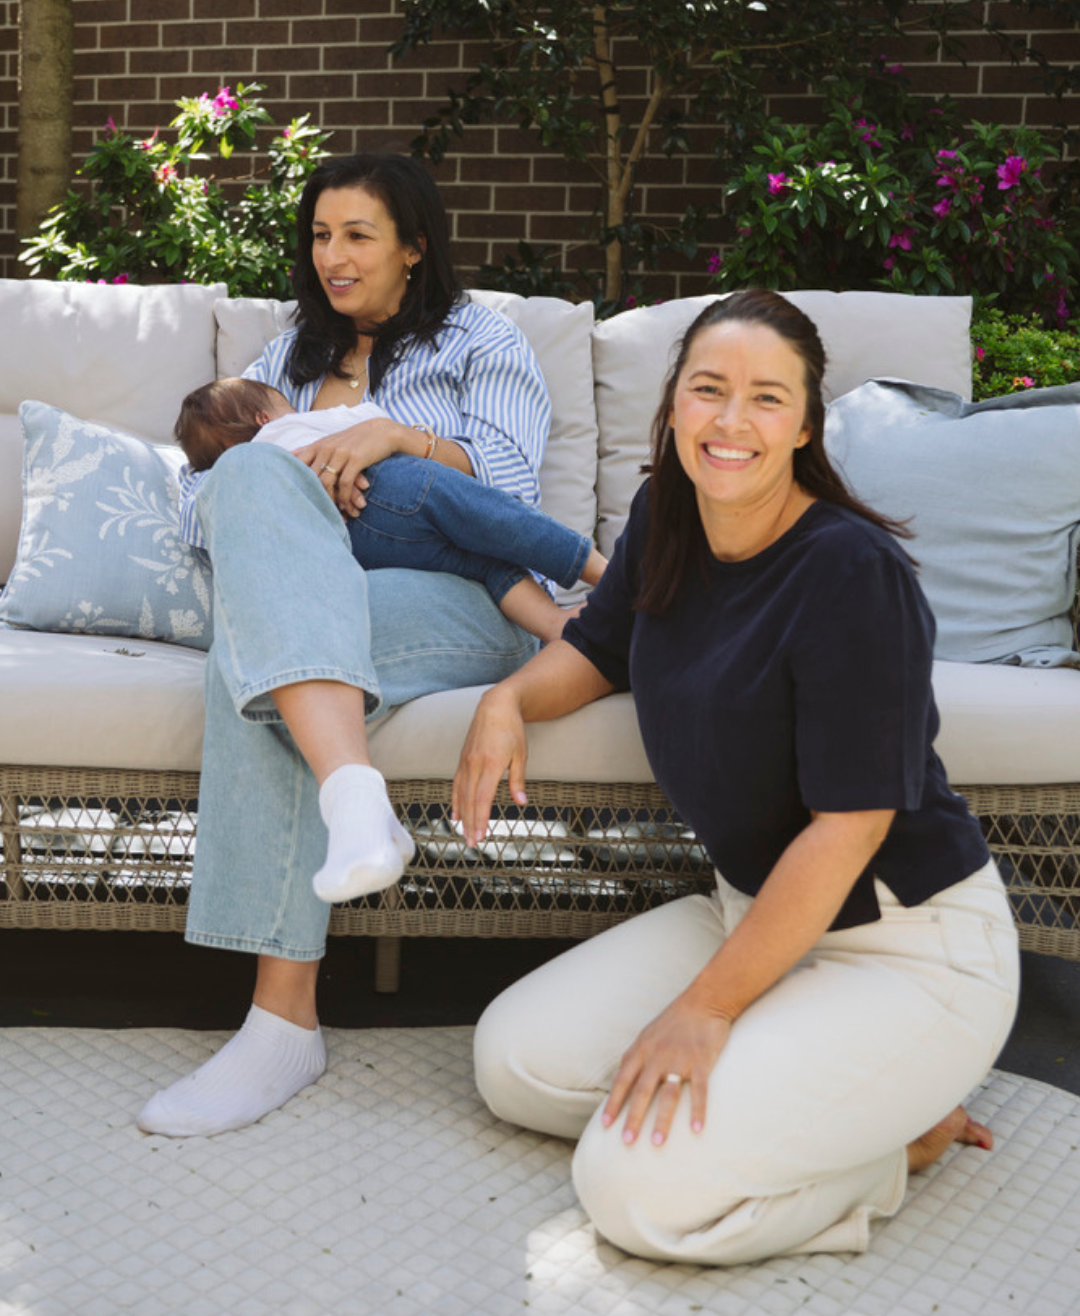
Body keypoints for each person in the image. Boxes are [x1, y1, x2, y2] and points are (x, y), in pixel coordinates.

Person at [453, 289, 1020, 1265]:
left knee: (634, 1191)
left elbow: (850, 827)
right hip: (750, 910)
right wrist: (505, 701)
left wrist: (705, 1010)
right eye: (709, 389)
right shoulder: (666, 519)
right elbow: (599, 649)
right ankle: (852, 1106)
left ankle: (898, 1145)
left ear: (804, 427)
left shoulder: (851, 572)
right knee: (516, 1064)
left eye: (766, 398)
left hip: (906, 945)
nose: (730, 421)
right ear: (674, 403)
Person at [136, 151, 555, 1137]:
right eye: (321, 235)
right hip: (316, 596)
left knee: (264, 656)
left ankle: (281, 1024)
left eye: (358, 235)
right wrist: (292, 478)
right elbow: (200, 502)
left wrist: (394, 441)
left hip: (463, 599)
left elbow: (510, 492)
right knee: (259, 523)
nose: (334, 256)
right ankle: (352, 805)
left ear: (414, 246)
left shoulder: (483, 341)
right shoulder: (286, 358)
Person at [174, 376, 606, 646]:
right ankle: (605, 576)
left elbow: (200, 504)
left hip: (352, 545)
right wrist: (389, 432)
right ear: (265, 416)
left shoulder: (236, 467)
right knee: (493, 520)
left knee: (480, 562)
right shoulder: (295, 423)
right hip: (387, 489)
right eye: (285, 404)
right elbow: (371, 420)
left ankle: (554, 626)